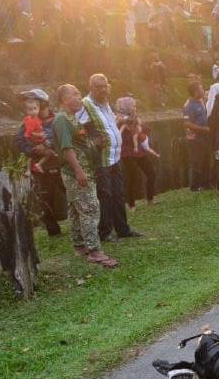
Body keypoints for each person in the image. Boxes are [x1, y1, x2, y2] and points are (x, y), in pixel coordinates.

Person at [53, 84, 117, 268]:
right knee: (90, 208)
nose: (79, 97)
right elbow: (66, 148)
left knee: (75, 210)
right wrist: (79, 171)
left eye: (79, 94)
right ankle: (95, 251)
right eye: (75, 94)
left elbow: (79, 142)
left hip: (80, 170)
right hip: (77, 173)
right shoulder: (62, 120)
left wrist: (95, 143)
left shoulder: (72, 118)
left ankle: (80, 246)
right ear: (64, 99)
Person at [78, 73, 142, 240]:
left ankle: (123, 229)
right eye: (99, 87)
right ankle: (105, 232)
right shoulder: (86, 104)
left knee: (118, 193)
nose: (103, 90)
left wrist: (119, 121)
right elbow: (80, 126)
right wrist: (93, 138)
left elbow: (109, 124)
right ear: (91, 87)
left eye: (105, 86)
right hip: (100, 159)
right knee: (105, 195)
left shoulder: (105, 103)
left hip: (114, 157)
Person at [14, 88, 64, 236]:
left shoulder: (58, 119)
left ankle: (81, 224)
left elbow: (68, 138)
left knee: (74, 194)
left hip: (61, 165)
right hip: (41, 169)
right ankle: (53, 231)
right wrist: (34, 149)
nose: (29, 106)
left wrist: (51, 147)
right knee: (44, 199)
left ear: (42, 104)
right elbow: (19, 142)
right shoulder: (28, 122)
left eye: (33, 102)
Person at [117, 97, 161, 209]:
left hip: (139, 151)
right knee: (133, 177)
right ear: (126, 107)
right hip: (127, 153)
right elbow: (122, 130)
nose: (135, 108)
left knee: (151, 173)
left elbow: (145, 128)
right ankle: (131, 204)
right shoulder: (119, 118)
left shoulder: (135, 117)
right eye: (132, 106)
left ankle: (150, 199)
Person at [182, 80, 213, 191]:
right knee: (196, 163)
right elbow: (187, 123)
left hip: (205, 137)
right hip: (195, 139)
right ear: (195, 92)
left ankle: (206, 184)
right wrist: (203, 129)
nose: (203, 90)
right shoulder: (188, 105)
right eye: (201, 88)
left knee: (206, 161)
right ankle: (195, 187)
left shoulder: (200, 101)